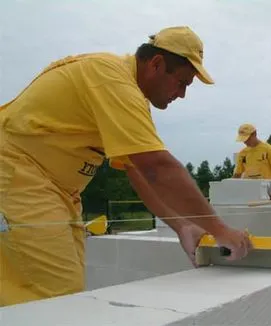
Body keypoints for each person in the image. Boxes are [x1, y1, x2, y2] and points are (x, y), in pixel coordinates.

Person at [0, 26, 252, 307]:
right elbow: (158, 168)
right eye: (182, 82)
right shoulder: (110, 79)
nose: (181, 95)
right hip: (19, 175)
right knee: (52, 293)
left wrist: (182, 226)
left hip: (56, 189)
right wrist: (219, 229)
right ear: (156, 64)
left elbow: (139, 171)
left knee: (50, 289)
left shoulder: (126, 96)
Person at [232, 123, 271, 200]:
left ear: (254, 134)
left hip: (264, 194)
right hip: (248, 195)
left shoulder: (268, 150)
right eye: (243, 140)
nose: (245, 142)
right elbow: (237, 175)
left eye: (247, 139)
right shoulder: (243, 153)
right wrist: (230, 188)